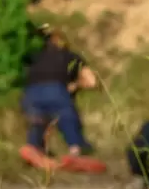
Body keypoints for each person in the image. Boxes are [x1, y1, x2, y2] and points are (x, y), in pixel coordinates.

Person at [18, 25, 106, 173]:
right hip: (56, 92)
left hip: (30, 94)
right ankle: (75, 151)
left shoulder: (33, 57)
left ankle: (33, 148)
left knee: (38, 123)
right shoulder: (69, 56)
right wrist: (75, 85)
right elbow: (92, 82)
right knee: (68, 120)